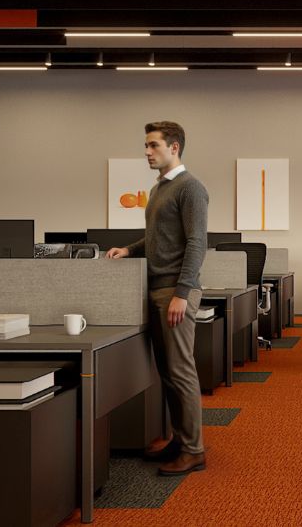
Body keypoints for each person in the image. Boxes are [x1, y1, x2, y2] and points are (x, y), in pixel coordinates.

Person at [106, 121, 210, 476]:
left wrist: (183, 292)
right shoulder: (159, 189)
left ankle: (194, 450)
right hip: (156, 288)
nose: (147, 152)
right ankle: (180, 440)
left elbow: (197, 242)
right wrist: (129, 250)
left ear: (174, 147)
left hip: (174, 292)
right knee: (167, 372)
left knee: (181, 371)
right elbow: (156, 237)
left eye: (153, 145)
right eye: (146, 146)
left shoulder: (191, 187)